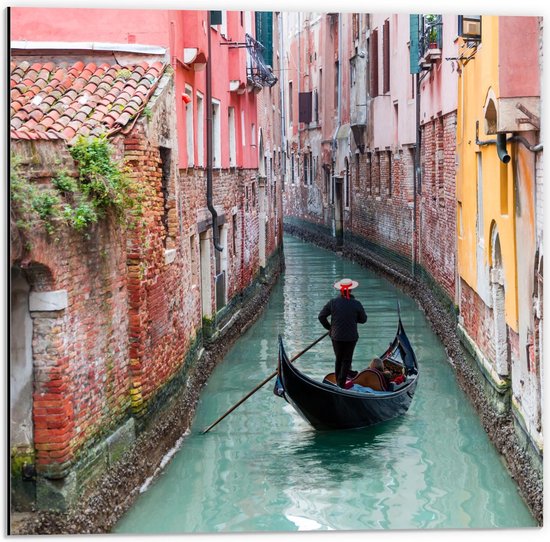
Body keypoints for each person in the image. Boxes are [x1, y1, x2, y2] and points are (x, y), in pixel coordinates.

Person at [318, 278, 367, 388]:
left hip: (336, 336)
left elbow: (321, 317)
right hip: (351, 337)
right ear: (351, 290)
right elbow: (363, 319)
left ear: (341, 291)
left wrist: (330, 328)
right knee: (346, 360)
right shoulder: (356, 304)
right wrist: (354, 318)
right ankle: (341, 384)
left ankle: (339, 381)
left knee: (339, 359)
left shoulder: (333, 302)